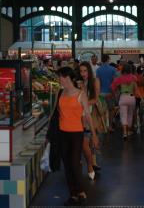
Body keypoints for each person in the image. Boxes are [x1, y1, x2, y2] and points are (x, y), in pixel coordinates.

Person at [53, 67, 98, 205]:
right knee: (67, 164)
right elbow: (54, 114)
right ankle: (73, 194)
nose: (59, 79)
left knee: (74, 162)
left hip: (77, 133)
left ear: (67, 78)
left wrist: (94, 135)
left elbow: (88, 116)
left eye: (60, 77)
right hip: (62, 133)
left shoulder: (80, 94)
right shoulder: (59, 93)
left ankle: (81, 191)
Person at [78, 61, 102, 180]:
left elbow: (95, 99)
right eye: (81, 71)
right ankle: (91, 163)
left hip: (90, 113)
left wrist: (84, 102)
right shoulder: (78, 83)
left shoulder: (95, 81)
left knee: (88, 140)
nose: (83, 74)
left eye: (85, 71)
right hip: (79, 115)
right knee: (85, 141)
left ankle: (91, 164)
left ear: (89, 71)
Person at [111, 63, 137, 139]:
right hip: (131, 97)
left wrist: (117, 90)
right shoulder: (134, 77)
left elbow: (113, 87)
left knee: (123, 115)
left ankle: (125, 133)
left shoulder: (120, 78)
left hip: (123, 97)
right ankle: (129, 131)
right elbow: (136, 89)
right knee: (130, 114)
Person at [96, 54, 117, 131]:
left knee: (102, 111)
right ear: (108, 59)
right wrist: (113, 93)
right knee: (111, 110)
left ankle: (102, 126)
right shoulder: (113, 69)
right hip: (110, 93)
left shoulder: (98, 70)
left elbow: (97, 83)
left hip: (101, 93)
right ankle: (110, 126)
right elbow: (114, 82)